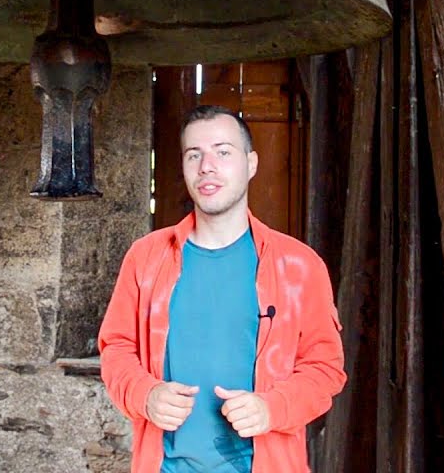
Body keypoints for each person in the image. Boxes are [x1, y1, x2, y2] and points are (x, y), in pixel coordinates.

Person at [98, 105, 346, 473]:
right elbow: (117, 349)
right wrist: (145, 395)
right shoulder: (145, 257)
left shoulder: (299, 264)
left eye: (223, 152)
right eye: (193, 155)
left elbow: (325, 369)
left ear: (252, 164)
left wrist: (272, 408)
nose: (206, 166)